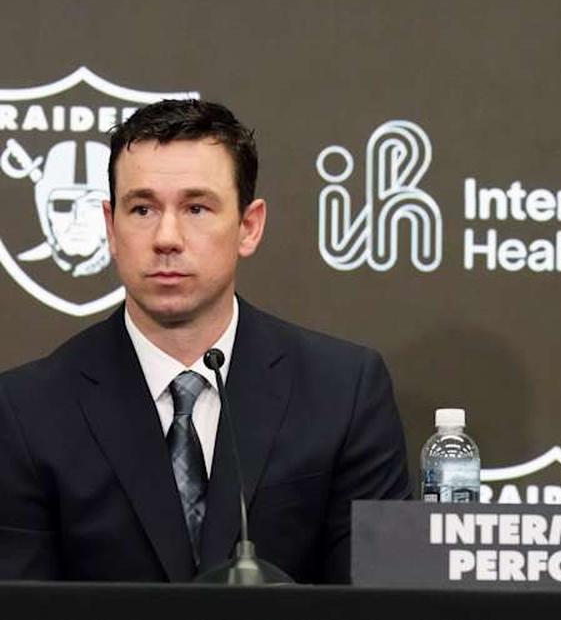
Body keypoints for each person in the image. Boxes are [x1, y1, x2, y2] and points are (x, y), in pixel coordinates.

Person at [0, 99, 411, 583]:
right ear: (111, 227)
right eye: (142, 209)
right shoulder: (27, 410)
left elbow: (379, 601)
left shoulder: (344, 392)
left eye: (196, 208)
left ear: (249, 226)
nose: (166, 237)